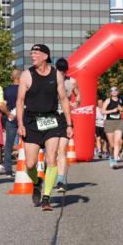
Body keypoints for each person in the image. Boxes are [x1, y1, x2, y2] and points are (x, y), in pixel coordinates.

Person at [16, 44, 74, 211]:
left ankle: (46, 197)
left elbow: (63, 99)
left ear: (45, 56)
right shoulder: (27, 75)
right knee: (30, 164)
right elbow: (20, 101)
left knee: (51, 159)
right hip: (32, 122)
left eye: (36, 53)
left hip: (51, 121)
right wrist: (20, 124)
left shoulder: (56, 75)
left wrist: (69, 124)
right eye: (31, 53)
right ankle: (36, 182)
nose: (33, 55)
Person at [54, 58, 80, 193]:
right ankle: (51, 175)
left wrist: (77, 102)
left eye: (63, 73)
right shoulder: (50, 80)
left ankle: (61, 180)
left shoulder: (72, 81)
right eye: (59, 72)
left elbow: (78, 95)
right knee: (52, 152)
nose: (61, 75)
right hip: (51, 118)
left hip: (65, 118)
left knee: (62, 150)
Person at [1, 68, 20, 177]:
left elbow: (2, 105)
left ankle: (8, 170)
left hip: (11, 119)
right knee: (29, 143)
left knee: (8, 144)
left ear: (12, 78)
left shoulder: (6, 90)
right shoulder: (25, 89)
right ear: (20, 78)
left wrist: (8, 114)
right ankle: (30, 166)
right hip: (24, 118)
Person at [101, 87, 123, 167]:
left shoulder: (121, 100)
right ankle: (111, 157)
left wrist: (121, 109)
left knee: (117, 142)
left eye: (116, 90)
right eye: (112, 90)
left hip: (119, 122)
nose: (114, 92)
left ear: (118, 92)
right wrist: (112, 111)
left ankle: (115, 161)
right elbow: (102, 111)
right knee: (111, 145)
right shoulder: (108, 100)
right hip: (109, 123)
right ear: (110, 93)